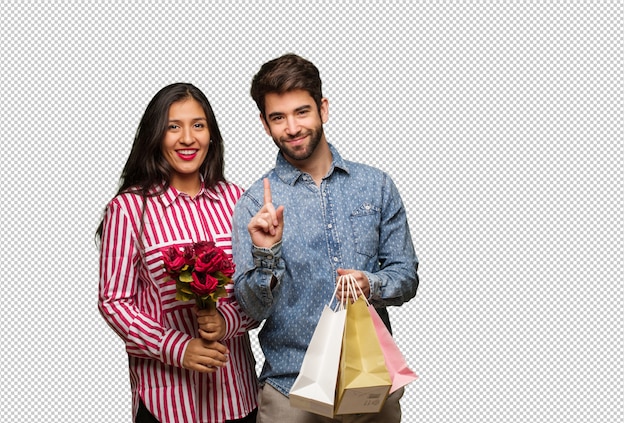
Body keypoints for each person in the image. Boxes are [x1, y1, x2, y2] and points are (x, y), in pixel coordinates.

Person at [232, 54, 419, 422]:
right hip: (291, 391)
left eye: (302, 112)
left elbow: (407, 277)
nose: (292, 127)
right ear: (264, 124)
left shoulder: (376, 186)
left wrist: (372, 283)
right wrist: (266, 254)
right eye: (278, 117)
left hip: (370, 385)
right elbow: (252, 310)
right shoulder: (255, 203)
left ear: (323, 109)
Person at [97, 83, 258, 423]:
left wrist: (226, 321)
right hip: (167, 403)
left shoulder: (237, 200)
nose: (188, 138)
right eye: (174, 126)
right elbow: (114, 302)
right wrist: (178, 348)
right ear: (156, 135)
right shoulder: (129, 209)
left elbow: (259, 291)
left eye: (198, 125)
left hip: (238, 397)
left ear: (211, 135)